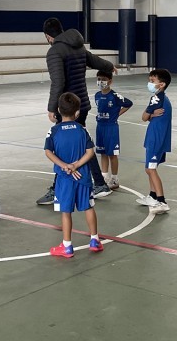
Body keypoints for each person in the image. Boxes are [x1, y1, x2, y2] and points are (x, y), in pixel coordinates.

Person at [37, 17, 114, 205]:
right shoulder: (77, 45)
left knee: (62, 146)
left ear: (48, 36)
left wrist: (52, 107)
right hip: (81, 105)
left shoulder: (55, 51)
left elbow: (58, 82)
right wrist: (109, 66)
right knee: (82, 144)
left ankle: (57, 189)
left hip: (67, 107)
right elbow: (94, 60)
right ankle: (100, 183)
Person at [45, 92, 104, 258]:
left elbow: (48, 152)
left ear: (58, 110)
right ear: (77, 112)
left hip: (64, 179)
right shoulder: (82, 130)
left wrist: (65, 166)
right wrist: (76, 165)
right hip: (83, 177)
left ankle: (67, 246)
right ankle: (94, 240)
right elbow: (90, 152)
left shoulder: (53, 131)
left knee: (66, 211)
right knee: (88, 207)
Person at [138, 69, 173, 214]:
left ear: (162, 84)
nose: (150, 84)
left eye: (152, 81)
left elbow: (143, 117)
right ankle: (152, 196)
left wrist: (149, 115)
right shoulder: (164, 99)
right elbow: (150, 117)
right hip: (156, 137)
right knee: (149, 168)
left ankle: (162, 201)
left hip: (156, 139)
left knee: (151, 169)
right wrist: (152, 115)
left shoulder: (156, 99)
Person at [94, 69, 133, 190]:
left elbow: (129, 103)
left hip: (111, 128)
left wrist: (117, 114)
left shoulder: (114, 96)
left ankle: (114, 178)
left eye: (104, 79)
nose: (101, 82)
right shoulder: (97, 95)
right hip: (100, 127)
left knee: (112, 154)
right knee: (102, 152)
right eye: (99, 79)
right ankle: (104, 177)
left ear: (110, 81)